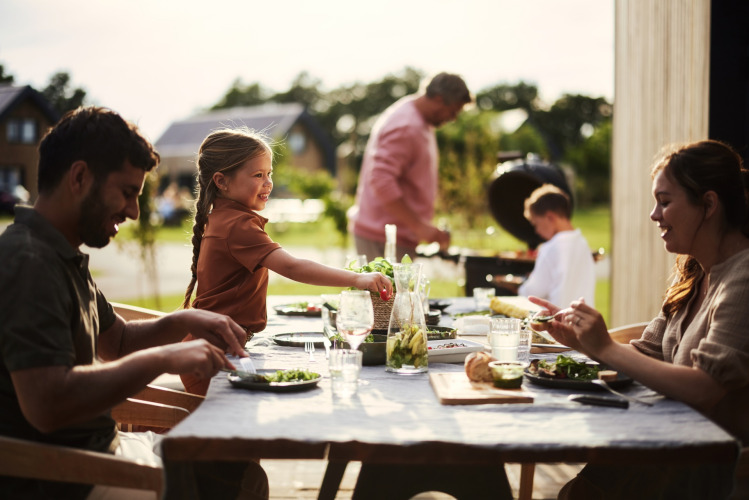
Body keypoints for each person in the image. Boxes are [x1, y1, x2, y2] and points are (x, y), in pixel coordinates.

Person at [0, 106, 269, 500]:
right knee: (233, 480)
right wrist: (163, 359)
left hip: (102, 452)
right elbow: (47, 404)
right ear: (79, 178)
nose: (133, 211)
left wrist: (187, 319)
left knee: (238, 466)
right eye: (127, 193)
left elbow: (120, 342)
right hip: (64, 477)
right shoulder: (29, 263)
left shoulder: (56, 252)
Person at [531, 140, 749, 499]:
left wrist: (603, 345)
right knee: (576, 491)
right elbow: (647, 355)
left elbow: (705, 388)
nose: (654, 214)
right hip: (662, 447)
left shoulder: (743, 278)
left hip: (707, 471)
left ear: (708, 204)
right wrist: (580, 338)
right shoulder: (694, 272)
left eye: (664, 202)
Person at [180, 128, 392, 395]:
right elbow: (292, 267)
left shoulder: (226, 217)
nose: (268, 182)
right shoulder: (238, 225)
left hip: (210, 349)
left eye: (269, 173)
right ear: (222, 181)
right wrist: (357, 279)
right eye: (258, 175)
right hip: (213, 359)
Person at [349, 72, 472, 261]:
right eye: (453, 111)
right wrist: (419, 226)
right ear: (439, 100)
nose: (453, 118)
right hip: (384, 238)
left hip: (393, 235)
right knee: (390, 291)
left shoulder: (417, 118)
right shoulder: (407, 126)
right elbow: (381, 181)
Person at [507, 184, 596, 306]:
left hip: (559, 321)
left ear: (550, 217)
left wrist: (520, 288)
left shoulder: (551, 248)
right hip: (583, 321)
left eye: (536, 224)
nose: (536, 231)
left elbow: (532, 293)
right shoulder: (583, 243)